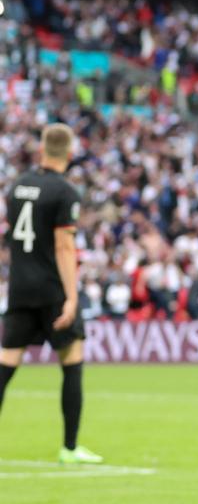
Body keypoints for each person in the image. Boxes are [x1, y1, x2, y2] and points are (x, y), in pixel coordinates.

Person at [0, 123, 101, 464]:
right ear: (70, 155)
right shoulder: (65, 192)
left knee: (6, 365)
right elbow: (63, 246)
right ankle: (70, 448)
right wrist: (72, 297)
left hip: (19, 287)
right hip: (51, 289)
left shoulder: (17, 186)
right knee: (72, 363)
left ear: (42, 149)